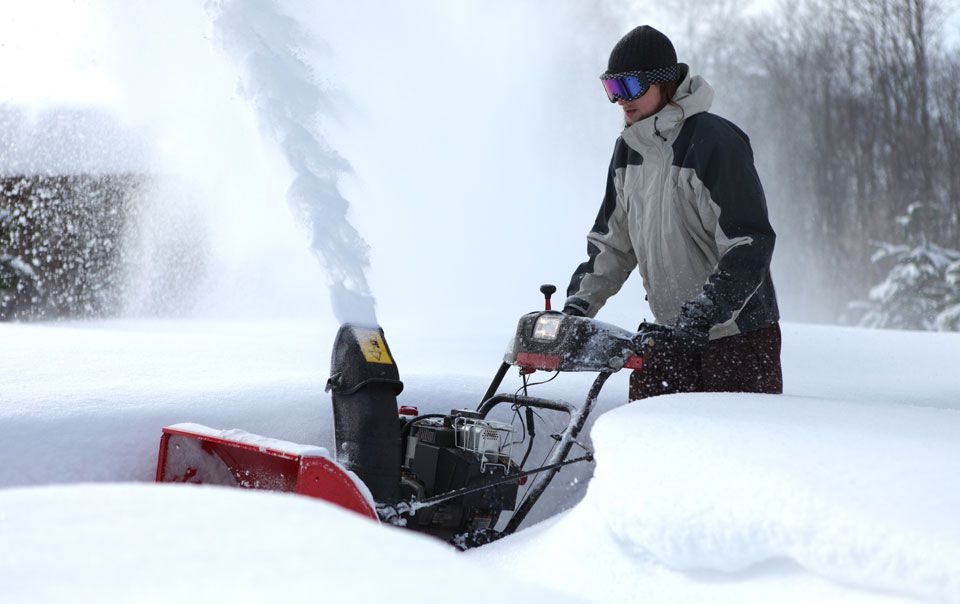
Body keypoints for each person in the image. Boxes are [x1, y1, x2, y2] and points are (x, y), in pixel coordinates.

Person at [562, 25, 782, 400]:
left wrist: (706, 311)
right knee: (650, 441)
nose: (620, 100)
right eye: (612, 89)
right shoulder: (629, 150)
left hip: (736, 339)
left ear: (662, 83)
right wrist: (575, 311)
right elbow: (613, 245)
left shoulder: (713, 142)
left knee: (730, 453)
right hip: (673, 334)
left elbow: (750, 244)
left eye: (629, 87)